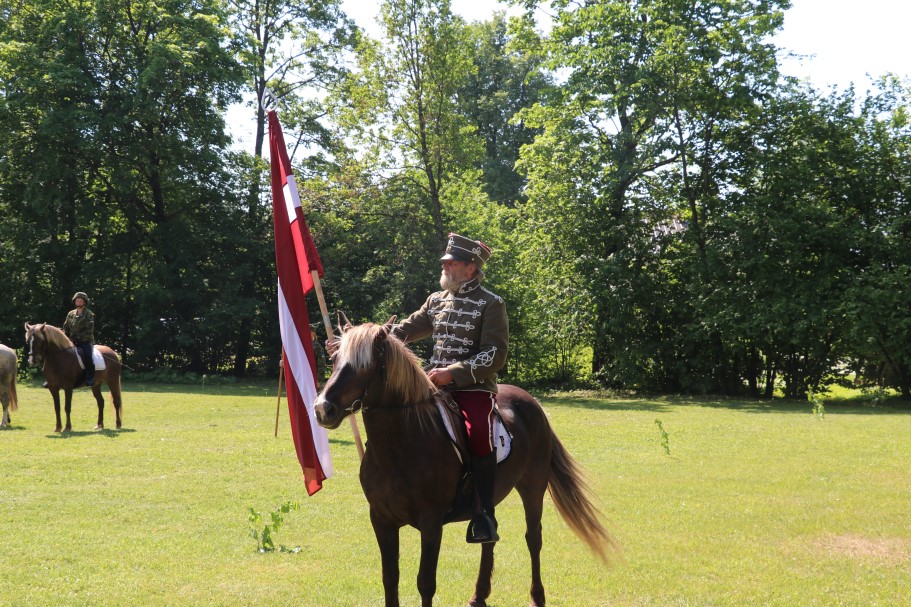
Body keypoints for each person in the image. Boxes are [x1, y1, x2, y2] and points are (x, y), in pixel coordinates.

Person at [391, 233, 509, 544]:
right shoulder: (435, 300)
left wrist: (453, 373)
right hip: (432, 385)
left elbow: (495, 354)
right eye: (445, 262)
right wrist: (361, 337)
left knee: (478, 434)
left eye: (452, 262)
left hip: (474, 388)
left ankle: (484, 515)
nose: (445, 266)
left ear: (471, 267)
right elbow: (403, 330)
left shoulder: (491, 303)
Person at [63, 291, 95, 387]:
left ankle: (90, 377)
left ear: (84, 302)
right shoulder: (70, 313)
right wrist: (66, 338)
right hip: (71, 341)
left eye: (81, 301)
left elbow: (89, 330)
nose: (79, 303)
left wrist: (79, 339)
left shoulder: (89, 314)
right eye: (77, 301)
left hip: (85, 341)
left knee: (88, 357)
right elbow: (66, 327)